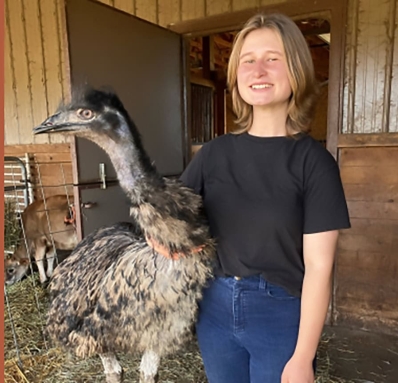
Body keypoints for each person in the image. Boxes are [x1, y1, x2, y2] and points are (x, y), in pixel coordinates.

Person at [148, 12, 350, 383]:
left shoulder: (313, 163)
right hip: (215, 307)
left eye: (273, 58)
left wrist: (303, 357)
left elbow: (320, 268)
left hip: (279, 313)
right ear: (237, 76)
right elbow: (171, 222)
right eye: (248, 60)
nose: (258, 70)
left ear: (298, 71)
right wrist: (161, 238)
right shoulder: (213, 154)